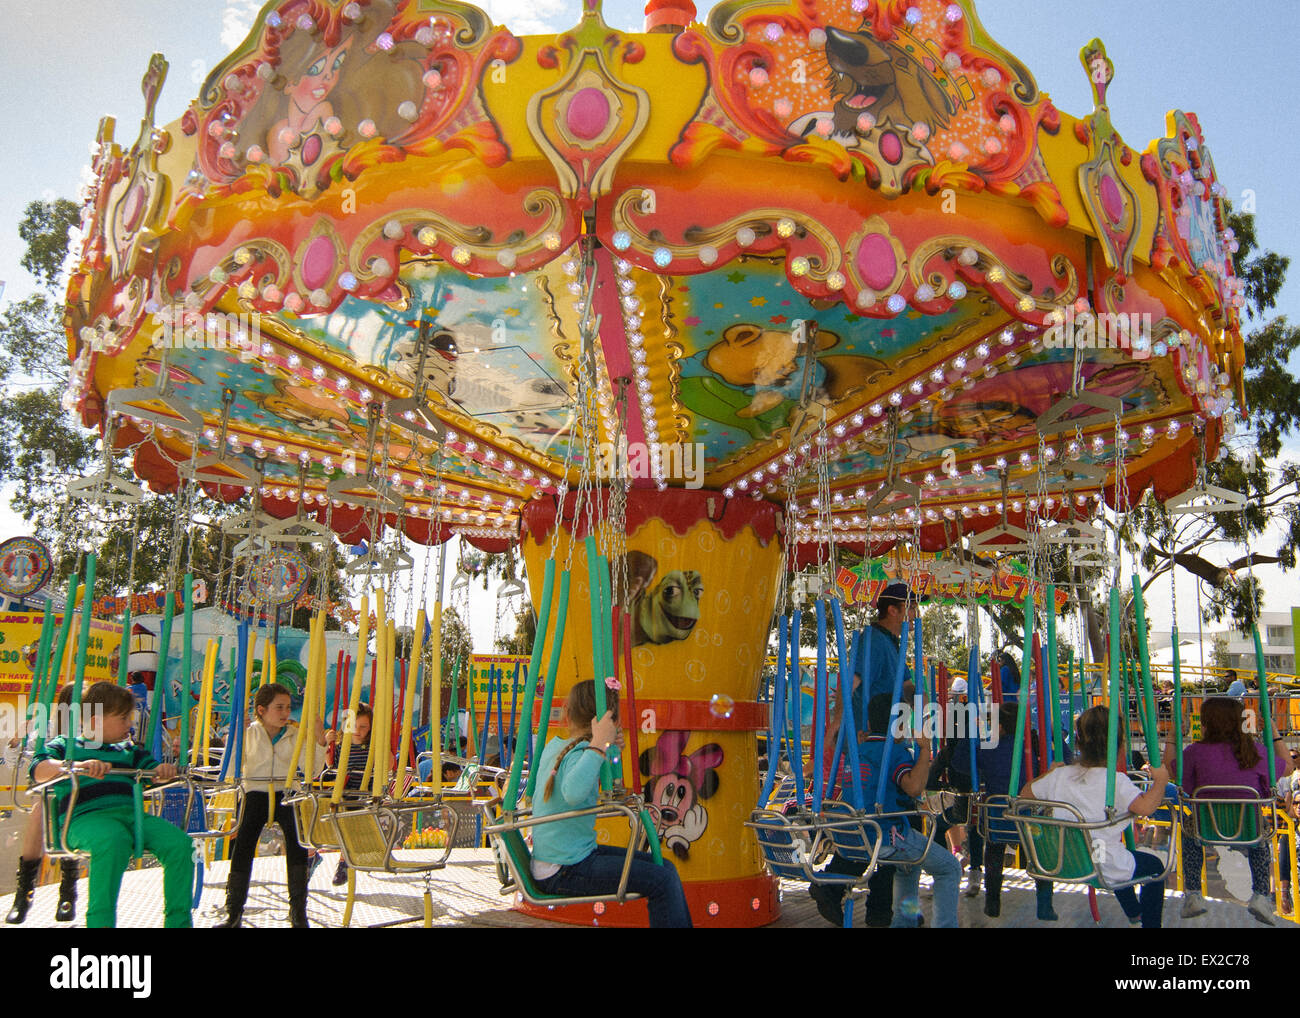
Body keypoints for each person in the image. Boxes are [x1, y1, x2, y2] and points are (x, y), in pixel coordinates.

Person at [28, 682, 193, 928]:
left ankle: (178, 922)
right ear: (95, 720)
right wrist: (75, 767)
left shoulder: (129, 751)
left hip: (133, 817)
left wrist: (162, 771)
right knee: (112, 840)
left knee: (181, 844)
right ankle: (100, 922)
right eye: (124, 718)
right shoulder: (66, 745)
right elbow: (38, 770)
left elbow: (151, 771)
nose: (130, 725)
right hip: (86, 819)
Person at [530, 679, 692, 928]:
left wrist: (608, 749)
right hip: (563, 868)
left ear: (568, 713)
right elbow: (573, 792)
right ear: (611, 721)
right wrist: (598, 745)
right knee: (662, 881)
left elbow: (593, 773)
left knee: (666, 868)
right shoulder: (581, 752)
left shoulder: (559, 747)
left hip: (567, 857)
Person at [1020, 705, 1170, 928]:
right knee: (1155, 867)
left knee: (1120, 857)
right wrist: (1161, 782)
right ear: (1120, 745)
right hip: (1100, 863)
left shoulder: (1060, 775)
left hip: (1063, 862)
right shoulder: (1115, 782)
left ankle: (1134, 914)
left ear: (1078, 742)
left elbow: (1024, 794)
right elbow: (1147, 807)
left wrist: (1050, 773)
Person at [217, 683, 330, 928]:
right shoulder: (249, 733)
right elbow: (230, 767)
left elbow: (311, 771)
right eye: (279, 707)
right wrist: (236, 735)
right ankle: (233, 911)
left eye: (287, 707)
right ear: (262, 710)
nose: (285, 713)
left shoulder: (294, 734)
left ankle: (298, 912)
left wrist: (319, 741)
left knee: (297, 844)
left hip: (286, 791)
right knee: (243, 845)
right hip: (255, 791)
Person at [1179, 696, 1292, 924]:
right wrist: (1273, 732)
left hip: (1206, 827)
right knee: (1262, 836)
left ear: (1207, 723)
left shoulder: (1194, 752)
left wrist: (1173, 737)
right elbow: (1288, 768)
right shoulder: (1254, 751)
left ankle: (1192, 891)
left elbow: (1176, 775)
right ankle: (1260, 893)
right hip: (1249, 828)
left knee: (1187, 831)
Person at [973, 703, 1057, 920]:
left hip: (997, 819)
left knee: (993, 852)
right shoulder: (1034, 750)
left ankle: (992, 899)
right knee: (1041, 855)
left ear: (1000, 727)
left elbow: (968, 766)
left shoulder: (987, 749)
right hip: (1028, 820)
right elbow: (1058, 763)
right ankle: (1045, 902)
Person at [7, 684, 81, 924]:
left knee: (68, 814)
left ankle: (68, 891)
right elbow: (15, 762)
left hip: (78, 791)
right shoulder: (46, 729)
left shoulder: (91, 731)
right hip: (51, 790)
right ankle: (23, 894)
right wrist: (16, 742)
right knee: (40, 810)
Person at [331, 702, 372, 886]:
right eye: (354, 726)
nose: (358, 730)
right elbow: (333, 767)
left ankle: (343, 863)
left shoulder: (372, 747)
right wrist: (328, 746)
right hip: (345, 792)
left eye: (363, 727)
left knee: (350, 824)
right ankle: (313, 855)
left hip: (364, 793)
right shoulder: (341, 746)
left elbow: (387, 766)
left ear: (370, 728)